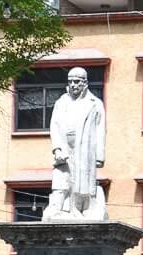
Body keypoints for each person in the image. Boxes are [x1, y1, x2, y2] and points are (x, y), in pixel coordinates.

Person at [43, 67, 107, 221]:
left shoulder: (95, 103)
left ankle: (83, 208)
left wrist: (99, 156)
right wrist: (57, 148)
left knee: (83, 179)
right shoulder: (62, 101)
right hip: (65, 147)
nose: (73, 84)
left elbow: (100, 129)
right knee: (63, 178)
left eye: (76, 81)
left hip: (85, 146)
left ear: (85, 83)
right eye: (70, 81)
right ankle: (61, 208)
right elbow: (55, 126)